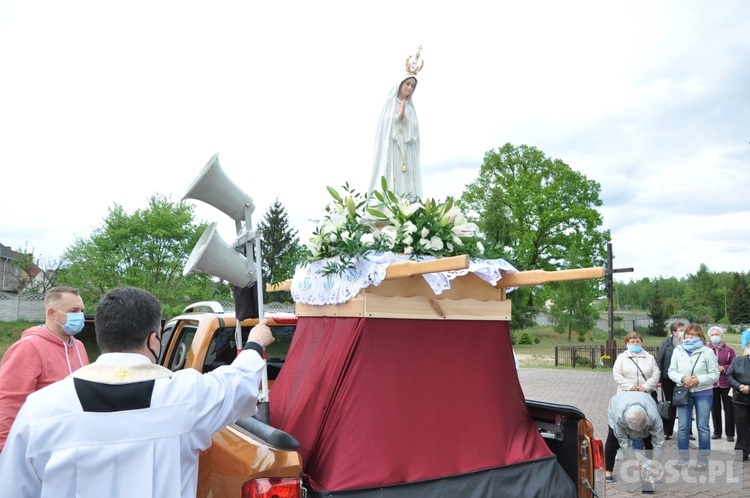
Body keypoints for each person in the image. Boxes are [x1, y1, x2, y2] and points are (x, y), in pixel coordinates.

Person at [0, 286, 274, 498]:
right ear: (154, 340)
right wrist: (254, 344)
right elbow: (237, 380)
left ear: (101, 337)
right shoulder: (187, 396)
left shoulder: (40, 409)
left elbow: (13, 488)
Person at [0, 286, 89, 453]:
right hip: (38, 448)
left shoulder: (79, 346)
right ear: (51, 313)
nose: (80, 316)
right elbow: (8, 402)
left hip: (71, 446)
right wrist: (4, 450)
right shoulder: (29, 347)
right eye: (74, 310)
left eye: (82, 310)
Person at [368, 47, 423, 198]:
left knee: (405, 181)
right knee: (391, 177)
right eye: (407, 84)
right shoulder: (390, 103)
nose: (410, 88)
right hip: (391, 149)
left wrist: (405, 119)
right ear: (400, 84)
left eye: (413, 86)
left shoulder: (411, 108)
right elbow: (382, 126)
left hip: (405, 150)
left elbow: (416, 132)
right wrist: (396, 118)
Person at [668, 324, 719, 468]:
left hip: (703, 393)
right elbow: (671, 371)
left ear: (700, 336)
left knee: (703, 426)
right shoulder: (678, 351)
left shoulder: (707, 352)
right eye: (687, 334)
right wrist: (684, 378)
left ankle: (703, 460)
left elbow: (714, 374)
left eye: (693, 334)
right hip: (684, 392)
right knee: (683, 426)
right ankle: (683, 458)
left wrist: (698, 380)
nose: (689, 337)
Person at [605, 391, 665, 490]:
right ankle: (608, 472)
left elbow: (658, 441)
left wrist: (656, 462)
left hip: (645, 400)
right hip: (616, 405)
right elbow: (623, 441)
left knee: (649, 440)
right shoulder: (619, 417)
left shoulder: (654, 417)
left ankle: (650, 471)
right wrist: (633, 460)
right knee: (613, 439)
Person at [656, 321, 686, 440]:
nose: (683, 332)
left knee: (684, 403)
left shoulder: (687, 343)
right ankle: (667, 431)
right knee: (669, 404)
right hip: (668, 378)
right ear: (673, 332)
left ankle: (686, 431)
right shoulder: (666, 344)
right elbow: (659, 360)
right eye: (680, 330)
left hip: (683, 379)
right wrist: (659, 379)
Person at [708, 326, 736, 442]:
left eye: (717, 334)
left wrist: (723, 368)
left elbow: (734, 365)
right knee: (715, 408)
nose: (715, 337)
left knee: (729, 408)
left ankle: (730, 433)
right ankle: (717, 431)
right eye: (713, 335)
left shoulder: (729, 350)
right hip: (712, 383)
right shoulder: (706, 350)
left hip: (726, 383)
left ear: (721, 335)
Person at [726, 330, 750, 461]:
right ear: (747, 348)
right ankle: (742, 451)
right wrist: (739, 386)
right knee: (741, 425)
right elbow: (729, 375)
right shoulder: (738, 360)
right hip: (739, 399)